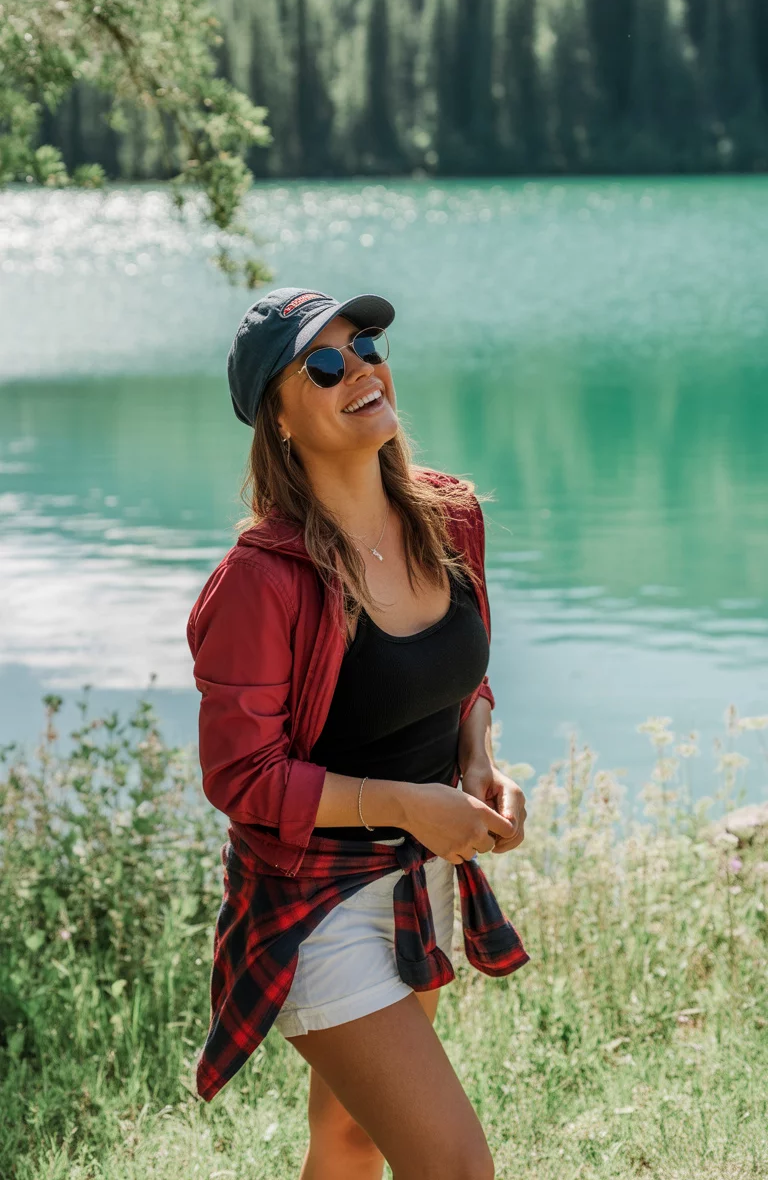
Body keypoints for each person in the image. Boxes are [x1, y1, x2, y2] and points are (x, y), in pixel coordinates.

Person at [187, 286, 529, 1180]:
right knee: (456, 1166)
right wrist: (408, 806)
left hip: (421, 881)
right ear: (281, 420)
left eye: (366, 344)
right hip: (316, 905)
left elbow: (463, 675)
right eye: (325, 365)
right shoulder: (261, 583)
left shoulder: (449, 514)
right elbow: (243, 779)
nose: (362, 368)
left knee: (348, 1140)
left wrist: (477, 760)